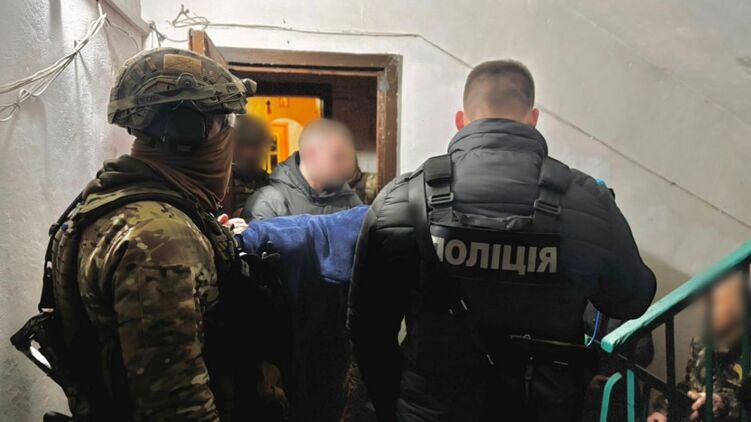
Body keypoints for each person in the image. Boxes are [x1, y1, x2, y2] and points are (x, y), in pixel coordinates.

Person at [348, 59, 657, 422]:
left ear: (461, 120)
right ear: (533, 118)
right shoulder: (591, 202)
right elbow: (632, 299)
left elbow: (367, 330)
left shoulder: (401, 200)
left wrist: (397, 408)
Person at [15, 47, 274, 421]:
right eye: (224, 122)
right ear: (189, 131)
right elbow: (177, 408)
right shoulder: (161, 239)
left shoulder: (115, 201)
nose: (229, 137)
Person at [648, 272, 745, 422]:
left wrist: (721, 403)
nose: (703, 311)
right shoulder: (701, 342)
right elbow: (690, 385)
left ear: (738, 307)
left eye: (713, 303)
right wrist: (663, 410)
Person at [242, 118, 362, 220]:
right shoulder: (269, 203)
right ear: (311, 153)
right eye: (338, 157)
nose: (348, 166)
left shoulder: (348, 199)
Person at [221, 114, 272, 217]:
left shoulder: (266, 181)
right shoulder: (220, 178)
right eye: (243, 144)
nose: (248, 153)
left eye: (254, 145)